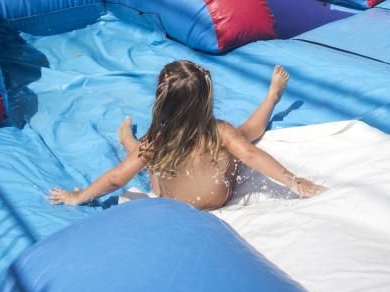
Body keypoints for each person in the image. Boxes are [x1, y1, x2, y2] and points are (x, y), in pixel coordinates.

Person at [47, 61, 324, 210]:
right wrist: (293, 181)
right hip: (220, 197)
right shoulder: (219, 131)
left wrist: (80, 196)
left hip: (170, 200)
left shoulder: (157, 141)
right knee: (245, 134)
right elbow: (250, 153)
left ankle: (127, 141)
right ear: (207, 101)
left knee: (145, 159)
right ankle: (271, 98)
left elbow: (117, 178)